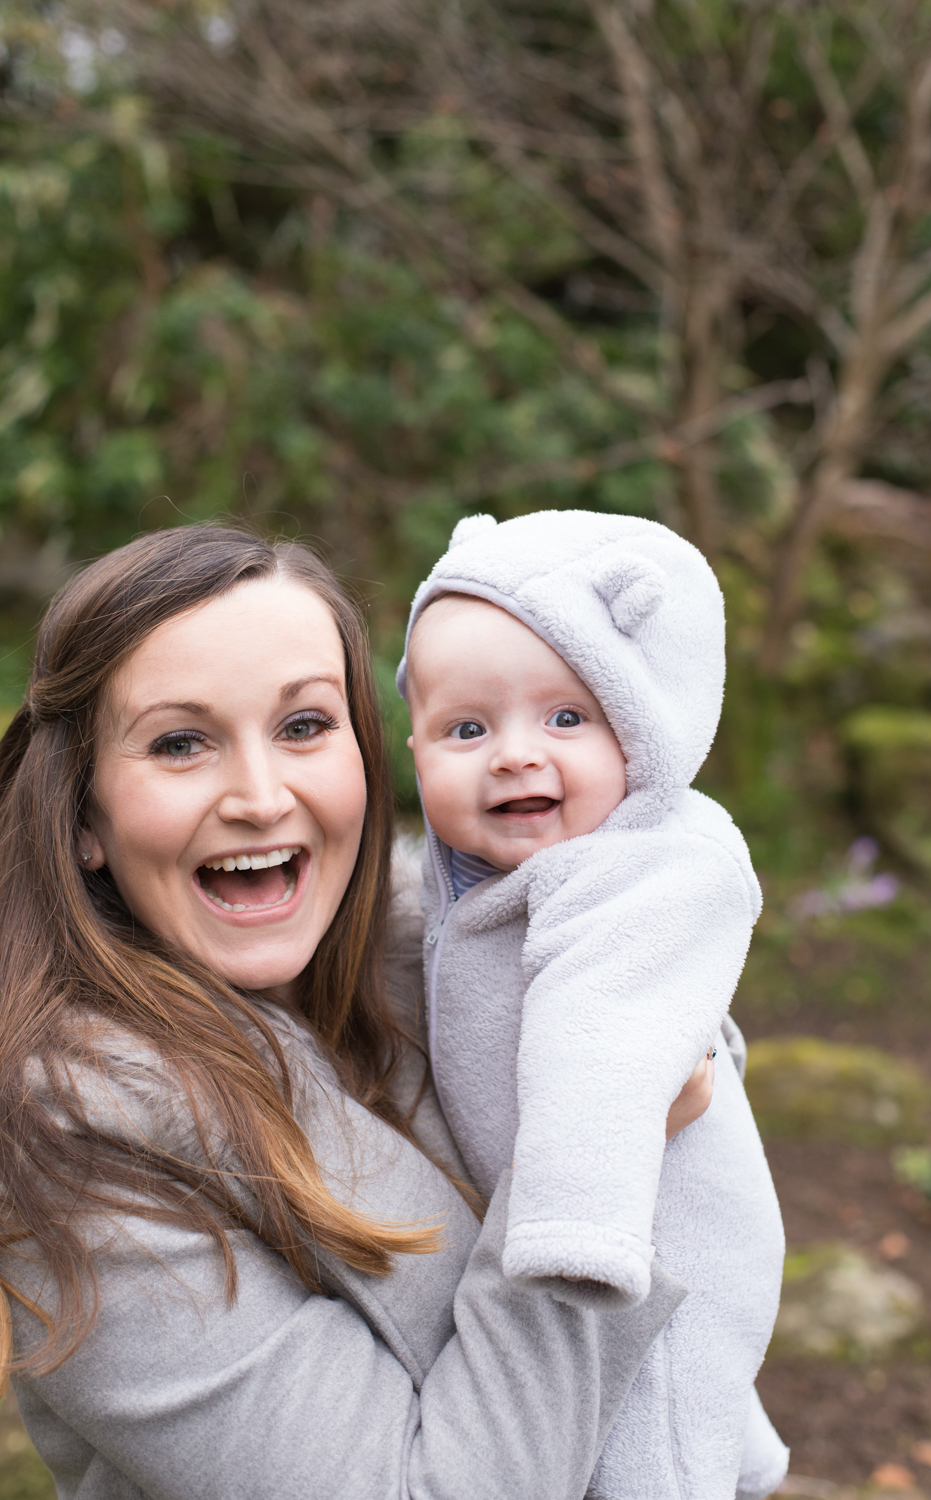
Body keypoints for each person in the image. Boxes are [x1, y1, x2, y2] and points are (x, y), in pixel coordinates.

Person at [0, 523, 714, 1500]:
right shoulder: (81, 1139)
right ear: (85, 817)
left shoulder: (452, 957)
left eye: (303, 727)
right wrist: (587, 1158)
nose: (260, 796)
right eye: (179, 742)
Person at [398, 510, 789, 1500]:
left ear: (643, 727)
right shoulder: (466, 873)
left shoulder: (648, 873)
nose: (515, 755)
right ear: (414, 744)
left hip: (642, 1231)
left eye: (565, 718)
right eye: (467, 728)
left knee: (646, 1434)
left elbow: (604, 1040)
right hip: (585, 1224)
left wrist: (575, 1227)